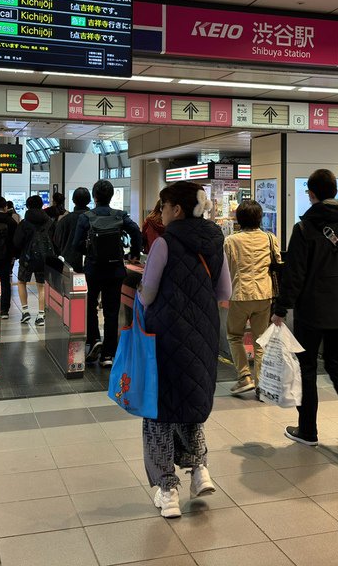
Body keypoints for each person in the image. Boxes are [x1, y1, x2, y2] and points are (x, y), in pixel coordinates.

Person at [138, 181, 231, 519]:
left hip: (165, 332)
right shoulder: (216, 241)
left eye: (163, 207)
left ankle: (167, 490)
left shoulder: (164, 243)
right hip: (204, 329)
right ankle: (200, 470)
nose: (160, 213)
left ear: (176, 209)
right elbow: (225, 290)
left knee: (159, 409)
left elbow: (147, 293)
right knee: (190, 399)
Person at [274, 169, 338, 463]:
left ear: (312, 193)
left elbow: (294, 274)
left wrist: (281, 308)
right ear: (335, 191)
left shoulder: (304, 228)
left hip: (312, 312)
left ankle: (307, 430)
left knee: (306, 368)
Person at [71, 179, 142, 368]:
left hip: (93, 270)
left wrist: (91, 251)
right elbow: (136, 231)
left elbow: (76, 245)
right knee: (111, 311)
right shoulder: (119, 216)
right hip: (115, 270)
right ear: (111, 196)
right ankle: (108, 355)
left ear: (94, 197)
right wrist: (133, 253)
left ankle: (94, 340)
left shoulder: (86, 217)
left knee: (91, 306)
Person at [223, 199, 281, 396]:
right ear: (260, 217)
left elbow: (225, 268)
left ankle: (244, 377)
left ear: (239, 219)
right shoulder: (270, 238)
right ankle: (262, 385)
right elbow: (278, 263)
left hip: (240, 294)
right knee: (260, 340)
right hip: (264, 295)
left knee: (234, 335)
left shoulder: (231, 241)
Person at [17, 195, 53, 326]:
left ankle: (25, 311)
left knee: (21, 282)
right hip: (44, 259)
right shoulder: (49, 222)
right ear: (41, 205)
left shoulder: (24, 223)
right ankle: (41, 315)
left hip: (26, 258)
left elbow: (17, 242)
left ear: (27, 206)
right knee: (41, 286)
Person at [53, 187, 91, 272]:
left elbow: (57, 241)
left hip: (69, 263)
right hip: (91, 263)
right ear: (89, 201)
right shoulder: (94, 219)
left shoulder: (65, 220)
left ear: (73, 200)